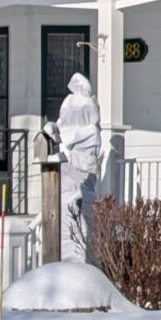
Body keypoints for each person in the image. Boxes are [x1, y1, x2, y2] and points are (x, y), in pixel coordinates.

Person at [53, 72, 101, 262]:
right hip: (72, 199)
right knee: (74, 240)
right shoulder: (91, 135)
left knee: (76, 240)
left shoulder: (70, 139)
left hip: (75, 198)